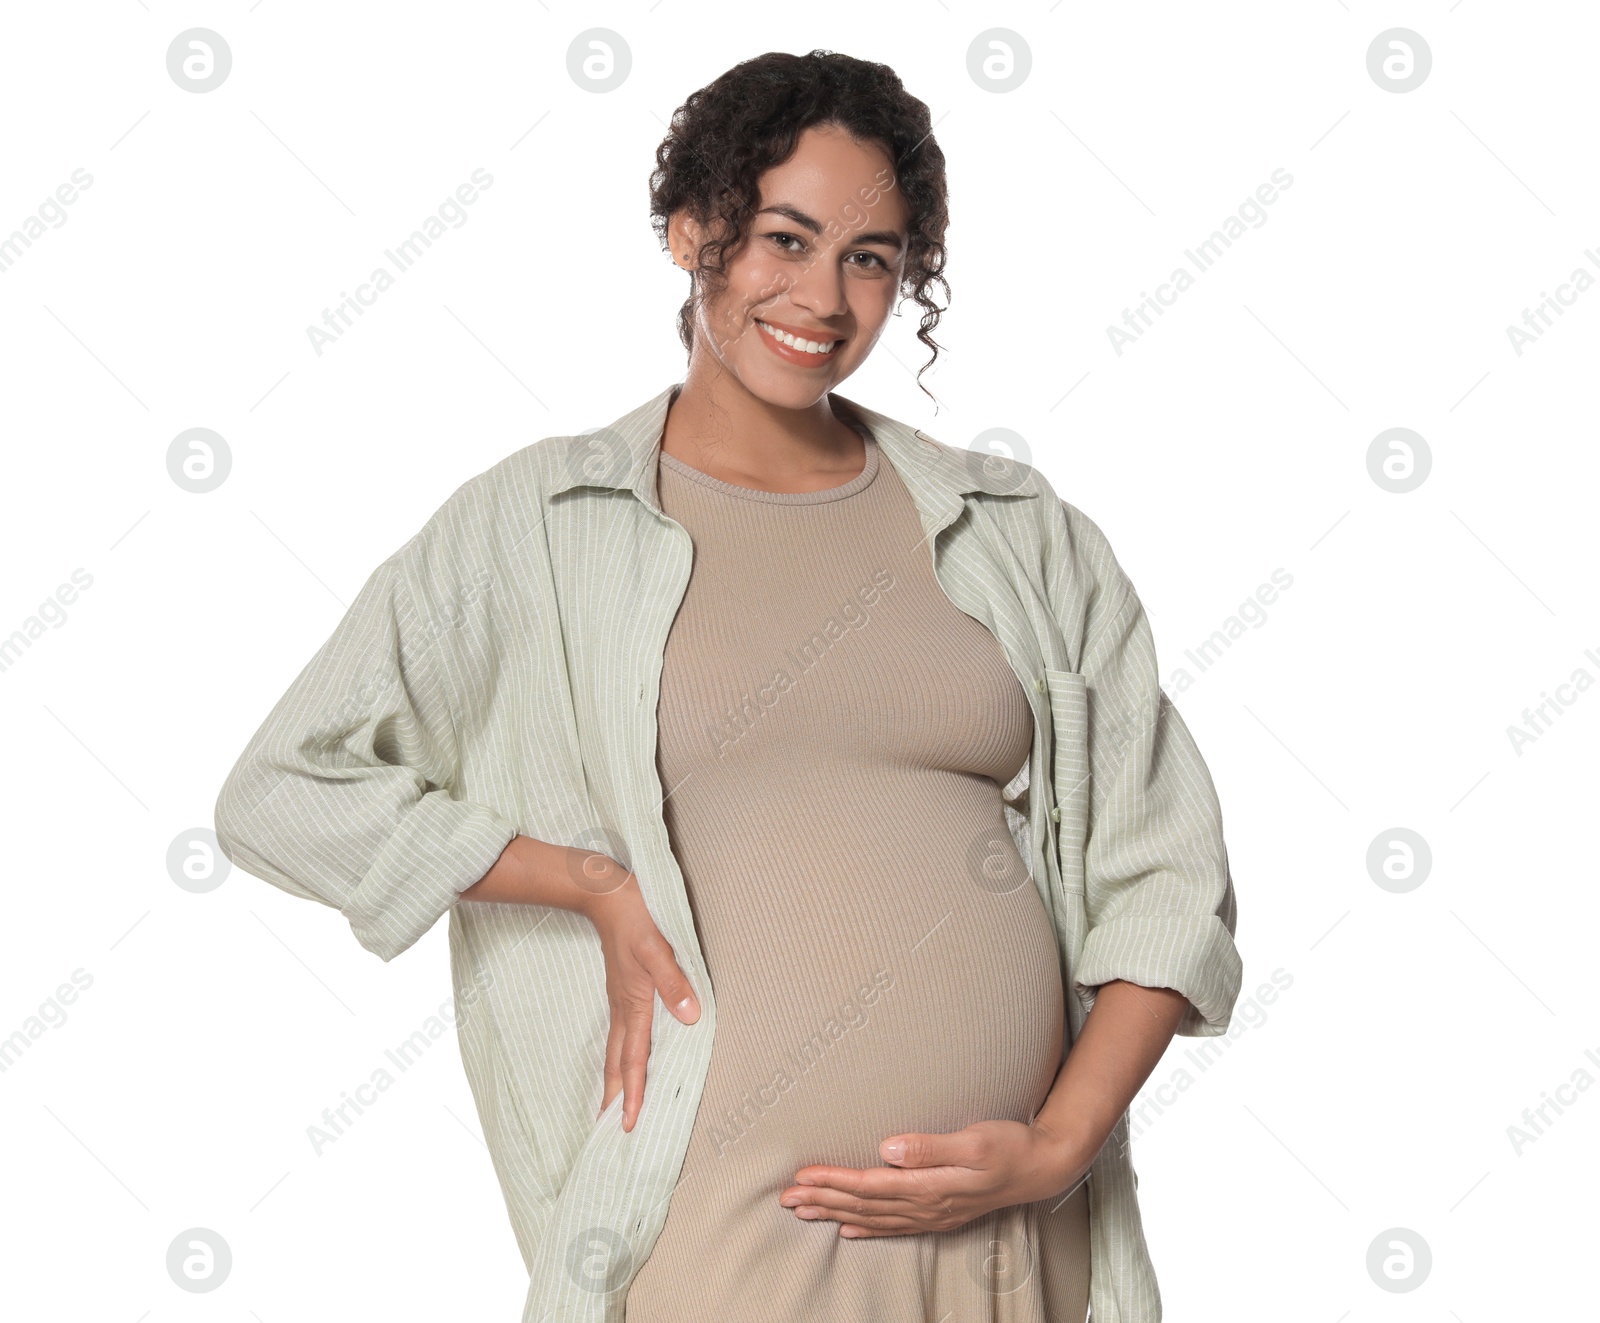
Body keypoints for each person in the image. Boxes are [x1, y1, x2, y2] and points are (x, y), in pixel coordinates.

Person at [214, 49, 1241, 1323]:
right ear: (692, 230)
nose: (823, 295)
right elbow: (285, 790)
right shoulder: (538, 525)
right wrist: (581, 879)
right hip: (718, 1237)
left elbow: (1166, 876)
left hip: (1008, 1239)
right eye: (783, 239)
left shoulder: (1019, 530)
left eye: (871, 256)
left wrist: (1053, 1146)